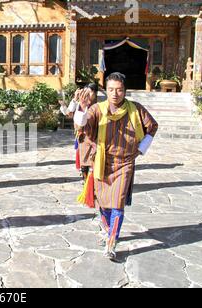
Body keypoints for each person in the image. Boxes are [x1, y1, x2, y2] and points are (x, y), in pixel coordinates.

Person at [74, 72, 158, 261]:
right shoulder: (98, 109)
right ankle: (107, 228)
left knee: (117, 203)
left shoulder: (135, 110)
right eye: (111, 89)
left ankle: (112, 241)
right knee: (103, 203)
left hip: (125, 163)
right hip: (102, 162)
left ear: (125, 91)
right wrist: (83, 108)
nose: (115, 94)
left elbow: (152, 126)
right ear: (106, 90)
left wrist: (141, 148)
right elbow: (82, 127)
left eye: (119, 90)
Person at [60, 84, 98, 181]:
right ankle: (86, 180)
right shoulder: (80, 104)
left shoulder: (98, 106)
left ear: (95, 93)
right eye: (85, 92)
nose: (87, 95)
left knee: (94, 160)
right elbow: (69, 113)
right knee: (84, 159)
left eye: (89, 92)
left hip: (95, 137)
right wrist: (74, 100)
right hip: (82, 136)